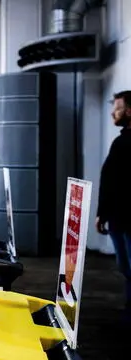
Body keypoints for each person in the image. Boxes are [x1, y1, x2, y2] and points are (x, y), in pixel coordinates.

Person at [95, 90, 131, 324]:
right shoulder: (121, 140)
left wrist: (103, 213)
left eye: (117, 108)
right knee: (127, 270)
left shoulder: (124, 142)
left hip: (126, 219)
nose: (112, 112)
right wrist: (103, 213)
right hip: (118, 218)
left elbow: (114, 182)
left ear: (129, 111)